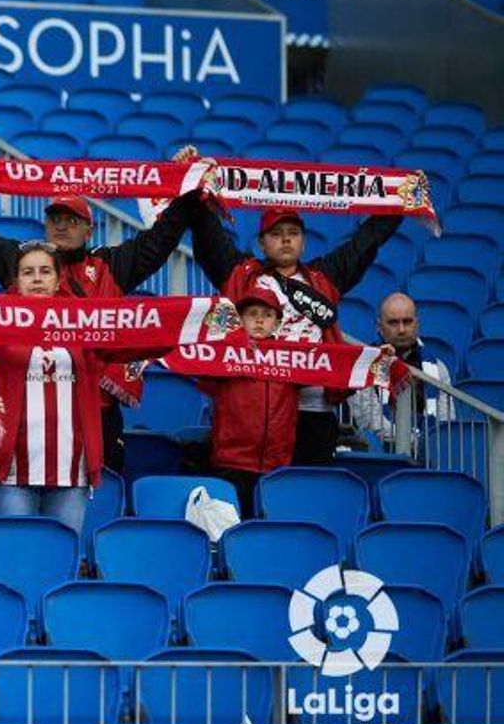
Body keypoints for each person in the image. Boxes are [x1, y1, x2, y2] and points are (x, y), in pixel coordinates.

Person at [0, 187, 201, 472]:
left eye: (72, 220)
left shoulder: (110, 266)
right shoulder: (25, 262)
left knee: (100, 491)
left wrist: (190, 192)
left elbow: (159, 242)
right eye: (55, 219)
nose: (61, 226)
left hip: (96, 411)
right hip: (30, 409)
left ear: (89, 231)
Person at [0, 243, 152, 534]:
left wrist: (189, 326)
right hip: (13, 470)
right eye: (28, 272)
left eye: (45, 272)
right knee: (17, 556)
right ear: (17, 281)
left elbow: (139, 341)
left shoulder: (84, 323)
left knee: (60, 555)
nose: (37, 279)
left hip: (72, 471)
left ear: (58, 281)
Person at [189, 202, 402, 465]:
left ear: (304, 243)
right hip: (250, 409)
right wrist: (194, 190)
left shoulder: (324, 278)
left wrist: (400, 201)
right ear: (262, 243)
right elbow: (209, 238)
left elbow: (365, 243)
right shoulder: (242, 276)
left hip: (312, 411)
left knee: (307, 485)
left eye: (293, 232)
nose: (286, 239)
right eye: (276, 234)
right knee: (252, 482)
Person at [203, 286, 299, 518]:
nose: (259, 320)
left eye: (267, 315)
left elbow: (336, 369)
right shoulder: (222, 354)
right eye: (252, 314)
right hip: (231, 462)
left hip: (277, 463)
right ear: (240, 320)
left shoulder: (295, 358)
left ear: (277, 323)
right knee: (230, 525)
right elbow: (195, 365)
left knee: (270, 529)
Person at [348, 292, 455, 449]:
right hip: (380, 453)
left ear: (417, 324)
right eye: (393, 323)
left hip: (431, 453)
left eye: (407, 321)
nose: (402, 329)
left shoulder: (438, 368)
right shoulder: (363, 365)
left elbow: (446, 421)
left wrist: (425, 444)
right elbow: (369, 421)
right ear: (379, 326)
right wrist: (413, 442)